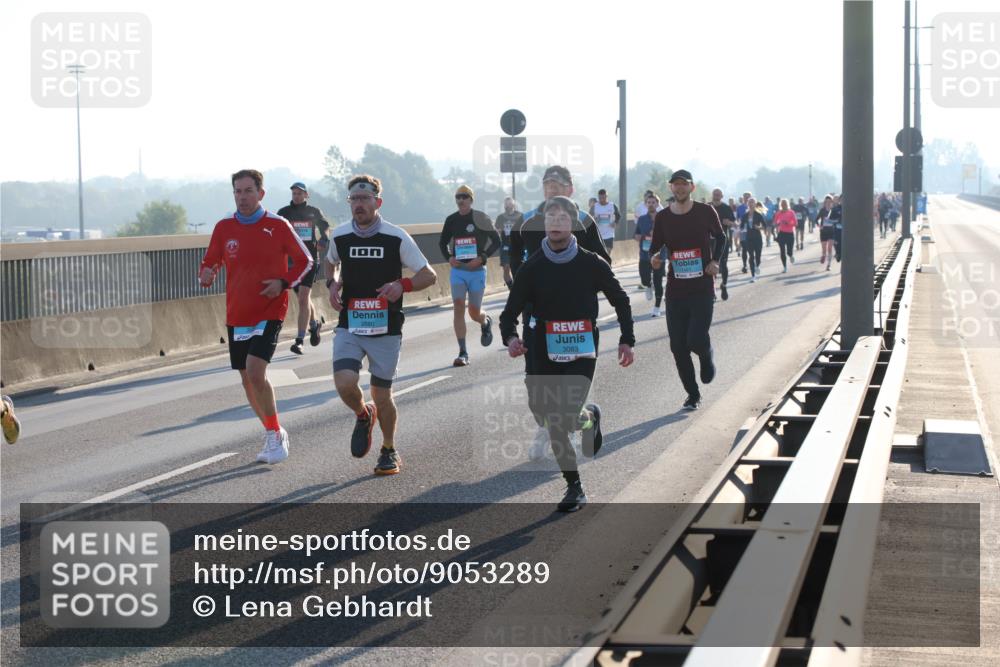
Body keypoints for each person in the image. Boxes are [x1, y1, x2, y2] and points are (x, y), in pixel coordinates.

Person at [500, 195, 635, 512]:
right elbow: (509, 313)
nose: (556, 222)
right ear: (544, 223)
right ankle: (589, 419)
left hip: (581, 345)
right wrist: (511, 338)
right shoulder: (532, 267)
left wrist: (627, 339)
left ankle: (574, 487)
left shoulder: (591, 263)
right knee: (542, 412)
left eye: (563, 217)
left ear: (573, 224)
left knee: (560, 418)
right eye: (551, 217)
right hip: (541, 345)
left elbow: (621, 300)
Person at [325, 175, 437, 476]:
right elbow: (330, 261)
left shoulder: (396, 237)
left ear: (378, 202)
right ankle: (363, 415)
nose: (359, 205)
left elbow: (429, 275)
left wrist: (403, 285)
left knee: (382, 395)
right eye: (354, 200)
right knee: (344, 382)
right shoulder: (341, 235)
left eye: (364, 199)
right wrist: (332, 283)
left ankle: (388, 449)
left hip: (386, 328)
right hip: (350, 324)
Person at [199, 169, 313, 464]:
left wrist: (284, 283)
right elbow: (211, 260)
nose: (242, 197)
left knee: (254, 371)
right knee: (246, 380)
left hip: (269, 310)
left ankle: (274, 435)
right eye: (237, 191)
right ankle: (272, 430)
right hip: (238, 313)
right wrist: (207, 273)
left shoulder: (277, 225)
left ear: (261, 194)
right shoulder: (224, 227)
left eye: (248, 191)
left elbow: (305, 260)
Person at [510, 166, 611, 460]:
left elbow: (604, 262)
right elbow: (514, 251)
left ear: (570, 189)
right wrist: (520, 280)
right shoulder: (527, 220)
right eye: (547, 185)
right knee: (536, 390)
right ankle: (550, 423)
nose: (551, 189)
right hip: (536, 316)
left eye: (557, 185)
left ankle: (571, 423)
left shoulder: (583, 220)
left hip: (574, 320)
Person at [650, 170, 726, 411]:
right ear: (671, 188)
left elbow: (721, 237)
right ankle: (692, 395)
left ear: (692, 188)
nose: (680, 188)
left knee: (695, 339)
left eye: (684, 184)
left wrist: (715, 261)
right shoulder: (663, 217)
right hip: (676, 289)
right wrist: (654, 258)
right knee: (677, 345)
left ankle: (706, 354)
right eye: (676, 185)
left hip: (702, 288)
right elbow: (656, 246)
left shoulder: (705, 211)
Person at [438, 185, 501, 366]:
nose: (461, 200)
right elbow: (442, 242)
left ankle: (485, 320)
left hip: (476, 271)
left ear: (471, 199)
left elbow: (496, 241)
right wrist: (449, 257)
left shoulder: (481, 218)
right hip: (458, 271)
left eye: (464, 197)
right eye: (458, 197)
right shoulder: (451, 220)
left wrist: (482, 257)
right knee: (458, 306)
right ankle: (463, 352)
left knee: (473, 311)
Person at [277, 182, 330, 355]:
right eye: (294, 193)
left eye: (300, 193)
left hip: (309, 260)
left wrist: (324, 239)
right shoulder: (284, 213)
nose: (296, 196)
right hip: (291, 262)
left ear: (306, 195)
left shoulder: (313, 212)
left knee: (303, 297)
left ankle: (299, 341)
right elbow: (274, 231)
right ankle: (314, 325)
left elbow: (325, 228)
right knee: (303, 298)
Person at [635, 192, 667, 315]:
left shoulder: (663, 218)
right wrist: (642, 237)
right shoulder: (642, 219)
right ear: (646, 204)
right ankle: (648, 285)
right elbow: (636, 234)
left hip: (660, 254)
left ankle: (657, 308)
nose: (651, 204)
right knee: (644, 279)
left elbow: (669, 235)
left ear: (657, 204)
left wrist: (659, 236)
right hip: (644, 254)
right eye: (649, 202)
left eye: (653, 202)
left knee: (658, 281)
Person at [709, 188, 737, 301]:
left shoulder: (726, 208)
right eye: (714, 194)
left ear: (722, 196)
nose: (716, 195)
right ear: (712, 195)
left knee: (723, 264)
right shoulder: (707, 207)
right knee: (710, 265)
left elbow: (734, 224)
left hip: (723, 241)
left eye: (718, 194)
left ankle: (724, 285)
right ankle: (713, 290)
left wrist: (729, 223)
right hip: (709, 241)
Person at [495, 197, 523, 288]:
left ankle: (520, 286)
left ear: (514, 205)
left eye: (510, 204)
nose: (508, 206)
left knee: (520, 268)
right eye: (506, 204)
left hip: (519, 246)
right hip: (506, 246)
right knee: (506, 267)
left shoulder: (520, 216)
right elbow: (497, 231)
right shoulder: (500, 217)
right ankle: (511, 287)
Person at [739, 197, 766, 282]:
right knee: (751, 256)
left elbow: (764, 226)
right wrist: (740, 227)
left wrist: (759, 227)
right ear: (748, 204)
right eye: (749, 202)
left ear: (755, 204)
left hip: (757, 238)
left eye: (752, 202)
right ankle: (753, 276)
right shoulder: (745, 216)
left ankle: (757, 266)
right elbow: (741, 226)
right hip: (749, 238)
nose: (751, 204)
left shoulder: (758, 215)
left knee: (758, 256)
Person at [773, 198, 798, 273]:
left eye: (785, 204)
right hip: (782, 234)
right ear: (781, 205)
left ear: (788, 205)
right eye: (782, 204)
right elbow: (774, 223)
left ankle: (790, 255)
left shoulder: (791, 212)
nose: (784, 205)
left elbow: (796, 223)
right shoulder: (778, 213)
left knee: (789, 251)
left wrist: (789, 223)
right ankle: (785, 267)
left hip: (790, 234)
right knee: (782, 251)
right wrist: (777, 224)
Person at [817, 194, 837, 270]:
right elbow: (816, 219)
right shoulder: (822, 210)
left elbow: (837, 219)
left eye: (829, 201)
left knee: (830, 248)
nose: (828, 203)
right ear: (824, 202)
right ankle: (823, 256)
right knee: (824, 249)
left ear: (831, 202)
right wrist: (819, 226)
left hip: (831, 231)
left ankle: (828, 265)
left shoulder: (833, 210)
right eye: (826, 201)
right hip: (823, 231)